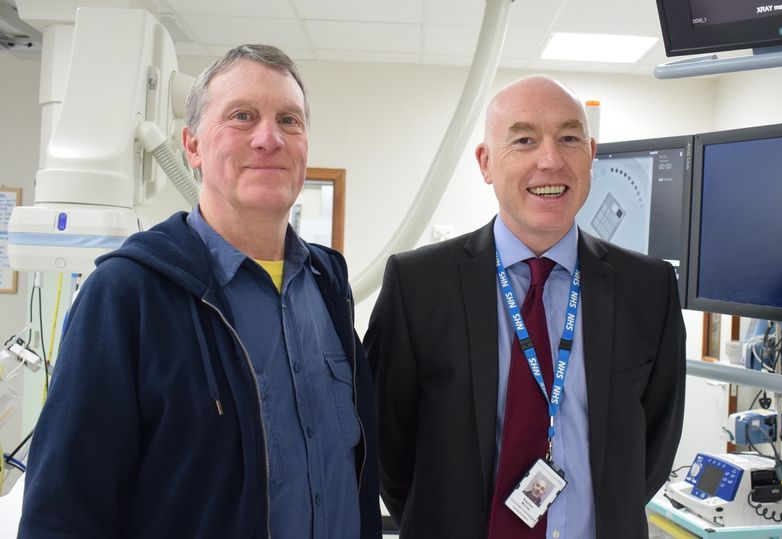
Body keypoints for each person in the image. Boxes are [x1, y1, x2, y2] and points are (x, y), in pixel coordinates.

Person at [19, 44, 380, 538]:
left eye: (289, 120)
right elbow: (63, 511)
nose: (269, 138)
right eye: (242, 116)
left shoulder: (327, 284)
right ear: (192, 146)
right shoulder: (128, 295)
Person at [365, 75, 686, 538]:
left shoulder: (648, 287)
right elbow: (388, 447)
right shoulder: (418, 284)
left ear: (591, 155)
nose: (550, 160)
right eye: (524, 140)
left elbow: (654, 444)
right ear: (486, 162)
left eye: (569, 138)